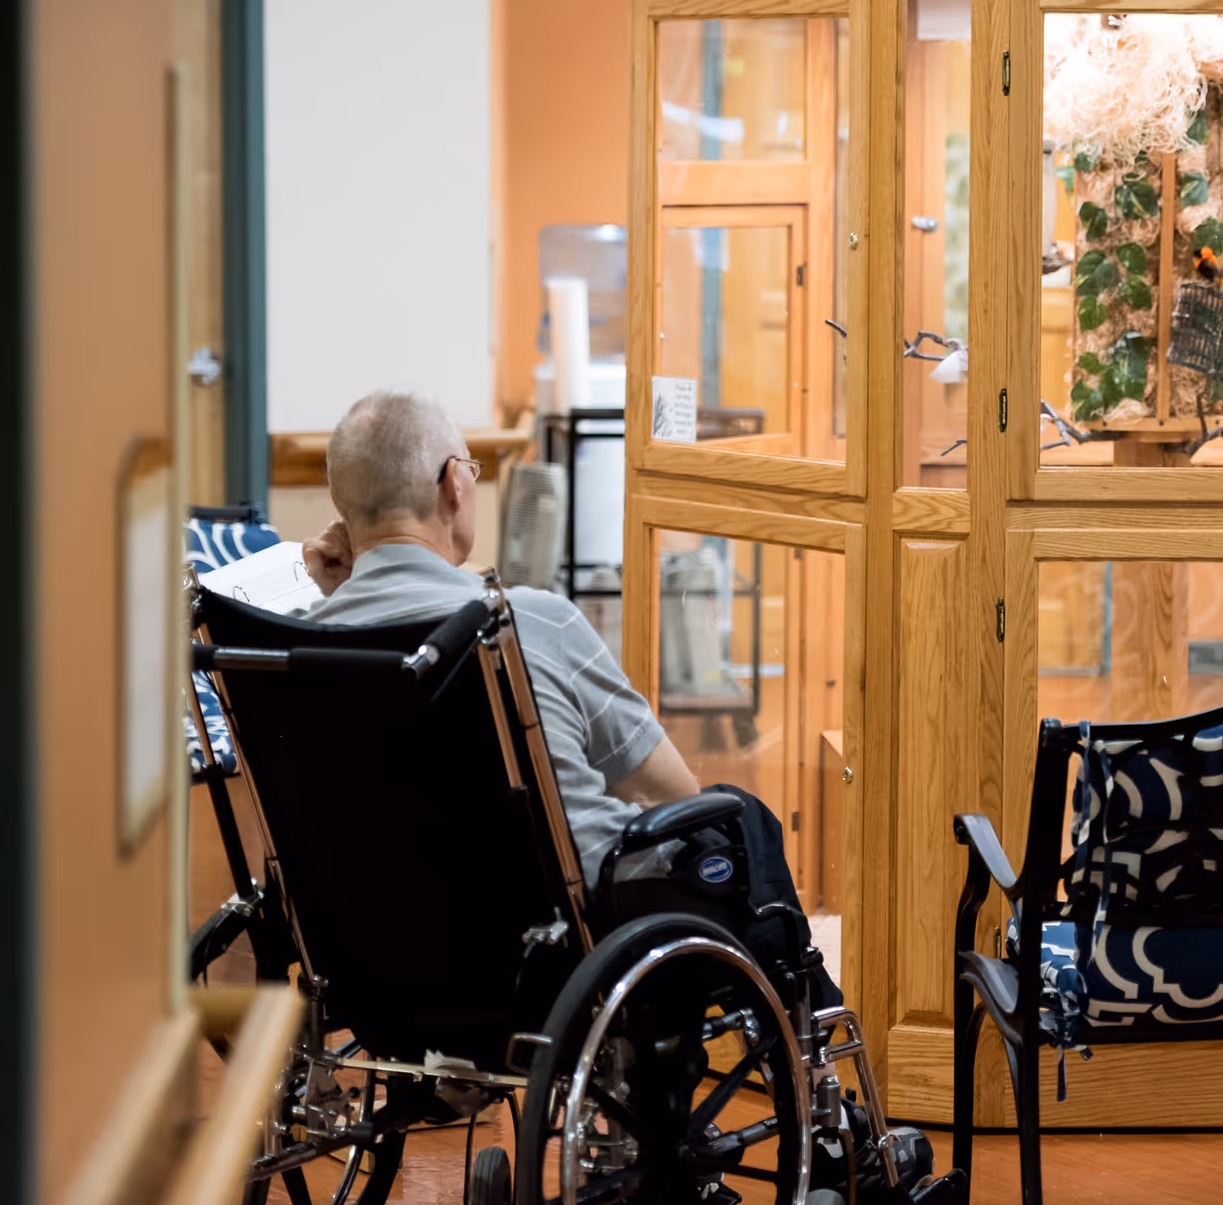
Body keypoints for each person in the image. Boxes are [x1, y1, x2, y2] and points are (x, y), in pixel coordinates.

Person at [296, 389, 836, 1002]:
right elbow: (672, 791)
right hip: (557, 944)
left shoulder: (302, 651)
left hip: (386, 946)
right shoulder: (529, 623)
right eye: (471, 470)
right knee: (740, 820)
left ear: (343, 508)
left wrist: (340, 599)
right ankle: (813, 1060)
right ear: (452, 485)